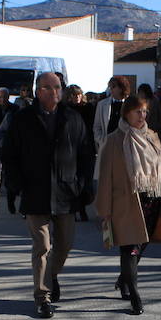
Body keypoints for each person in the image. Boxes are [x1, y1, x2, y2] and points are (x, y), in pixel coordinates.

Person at [2, 71, 95, 319]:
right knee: (42, 246)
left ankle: (51, 274)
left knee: (64, 245)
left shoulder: (73, 118)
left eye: (57, 87)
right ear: (37, 91)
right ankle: (42, 296)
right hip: (36, 192)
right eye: (47, 87)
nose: (54, 92)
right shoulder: (22, 119)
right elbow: (9, 154)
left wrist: (84, 184)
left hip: (66, 191)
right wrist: (17, 185)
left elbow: (86, 154)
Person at [95, 93, 161, 315]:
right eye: (137, 111)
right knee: (130, 248)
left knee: (140, 245)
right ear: (126, 114)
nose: (142, 116)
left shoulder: (151, 136)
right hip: (127, 203)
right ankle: (135, 295)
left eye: (144, 111)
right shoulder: (114, 140)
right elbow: (105, 177)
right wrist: (105, 210)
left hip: (152, 199)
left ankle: (123, 279)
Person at [64, 85, 96, 221]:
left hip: (86, 148)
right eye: (73, 95)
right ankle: (76, 209)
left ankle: (82, 208)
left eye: (78, 95)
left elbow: (93, 127)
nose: (76, 98)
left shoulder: (88, 108)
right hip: (70, 149)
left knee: (85, 181)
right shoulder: (66, 109)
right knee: (72, 181)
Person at [92, 76, 130, 155]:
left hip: (126, 148)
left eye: (113, 87)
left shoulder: (131, 104)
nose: (110, 89)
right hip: (107, 147)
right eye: (110, 87)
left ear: (121, 88)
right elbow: (97, 126)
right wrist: (102, 141)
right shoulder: (102, 105)